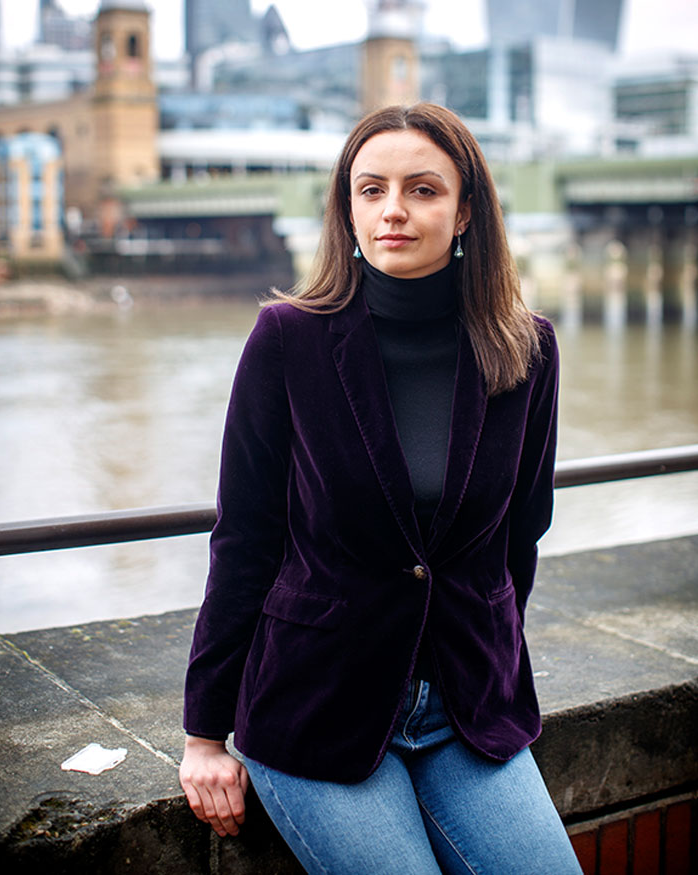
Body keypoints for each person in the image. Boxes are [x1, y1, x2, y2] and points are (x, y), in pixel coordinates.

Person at [179, 102, 582, 874]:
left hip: (465, 711)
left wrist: (487, 662)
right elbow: (245, 539)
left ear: (466, 211)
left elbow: (520, 531)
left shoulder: (527, 349)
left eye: (423, 189)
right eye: (371, 190)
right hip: (315, 702)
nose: (393, 210)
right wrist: (205, 732)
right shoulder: (287, 339)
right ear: (348, 208)